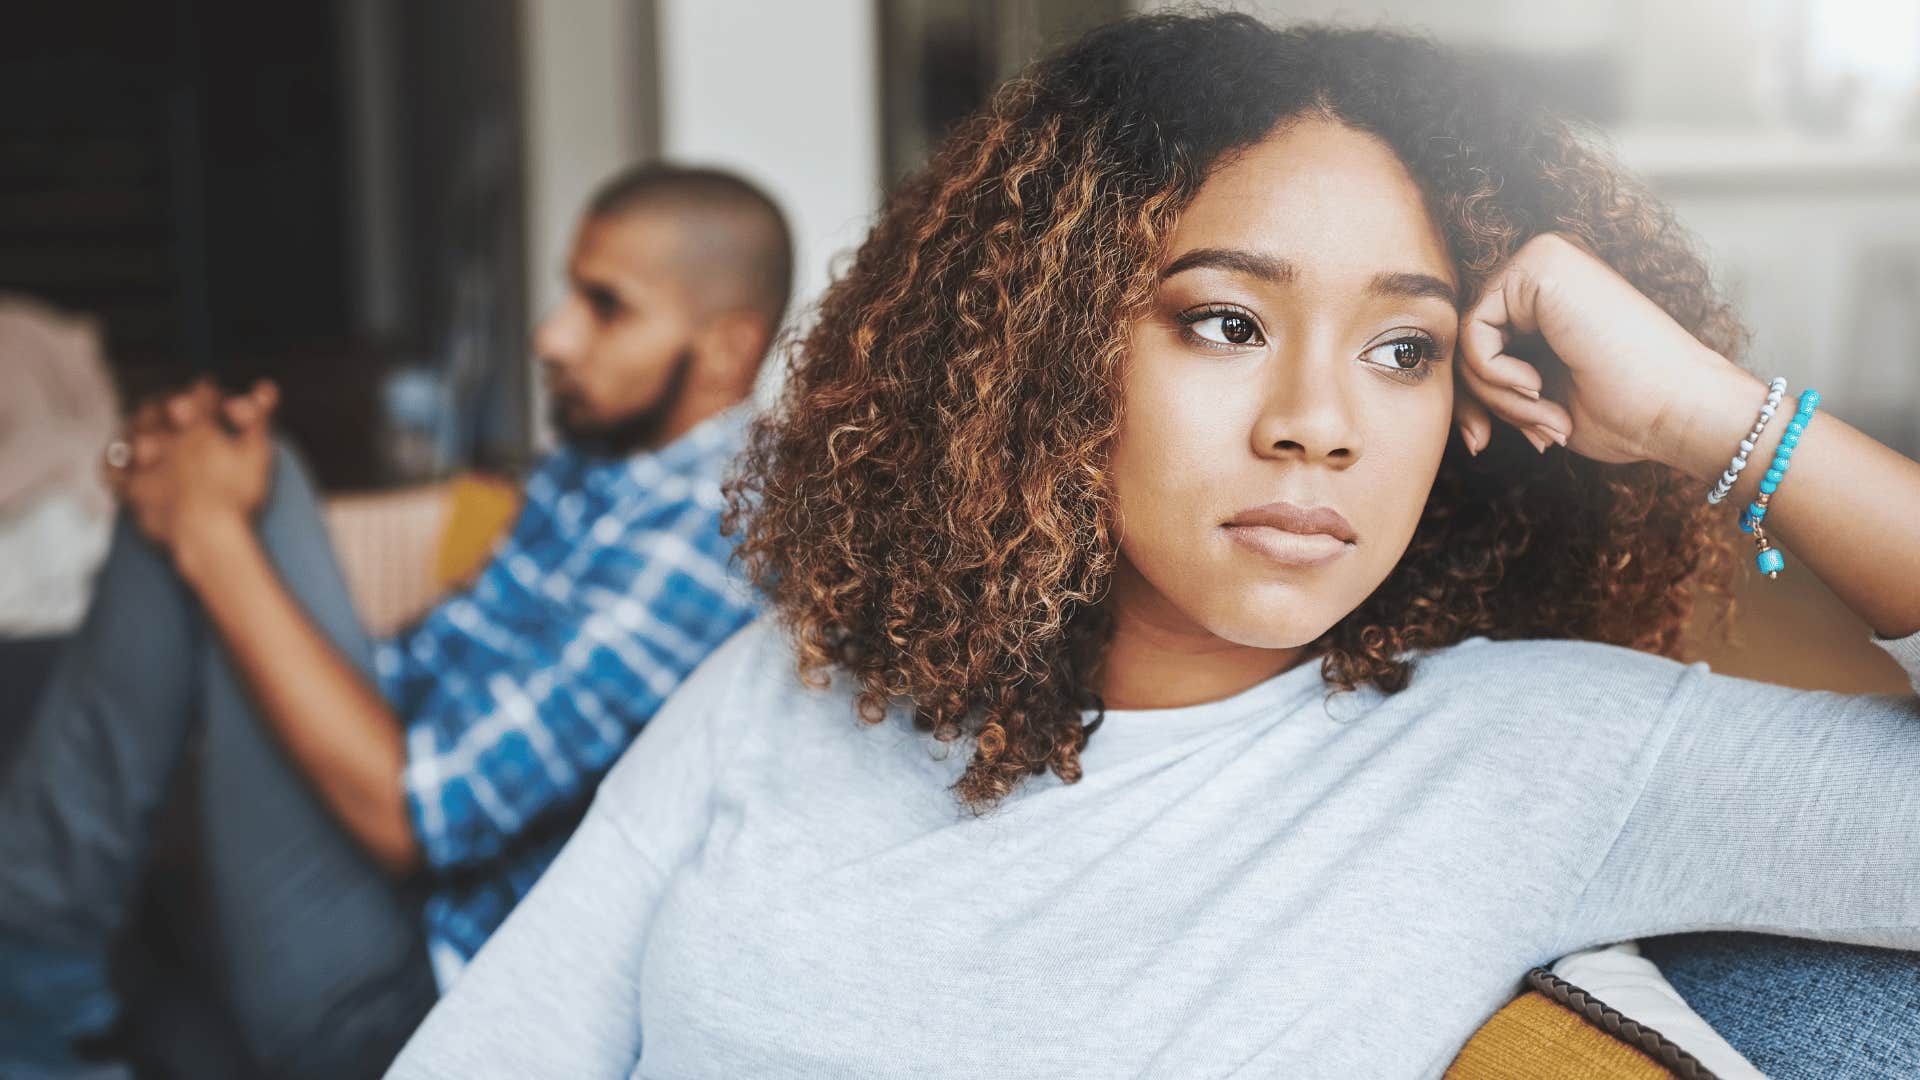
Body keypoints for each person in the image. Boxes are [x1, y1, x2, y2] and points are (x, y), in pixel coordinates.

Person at [390, 15, 1920, 1079]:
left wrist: (1724, 421)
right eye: (1227, 323)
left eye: (1404, 350)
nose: (1318, 421)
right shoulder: (781, 691)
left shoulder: (1543, 753)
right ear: (1048, 361)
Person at [0, 163, 792, 1078]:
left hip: (412, 991)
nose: (553, 335)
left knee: (244, 498)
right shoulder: (608, 467)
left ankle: (28, 972)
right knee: (227, 470)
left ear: (729, 350)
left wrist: (214, 534)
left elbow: (417, 817)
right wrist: (203, 509)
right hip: (384, 892)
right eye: (569, 294)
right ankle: (33, 962)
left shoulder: (709, 534)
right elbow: (417, 670)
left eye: (606, 307)